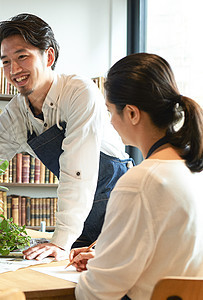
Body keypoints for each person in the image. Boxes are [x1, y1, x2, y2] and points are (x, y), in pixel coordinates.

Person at [0, 13, 132, 260]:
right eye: (6, 62)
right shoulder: (16, 112)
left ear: (49, 56)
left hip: (119, 209)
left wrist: (62, 239)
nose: (14, 70)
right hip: (80, 220)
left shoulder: (79, 93)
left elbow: (78, 170)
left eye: (22, 57)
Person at [70, 53, 203, 299]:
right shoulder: (191, 170)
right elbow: (170, 256)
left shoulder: (140, 181)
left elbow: (96, 293)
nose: (110, 122)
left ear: (131, 113)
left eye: (110, 111)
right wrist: (106, 258)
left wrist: (95, 274)